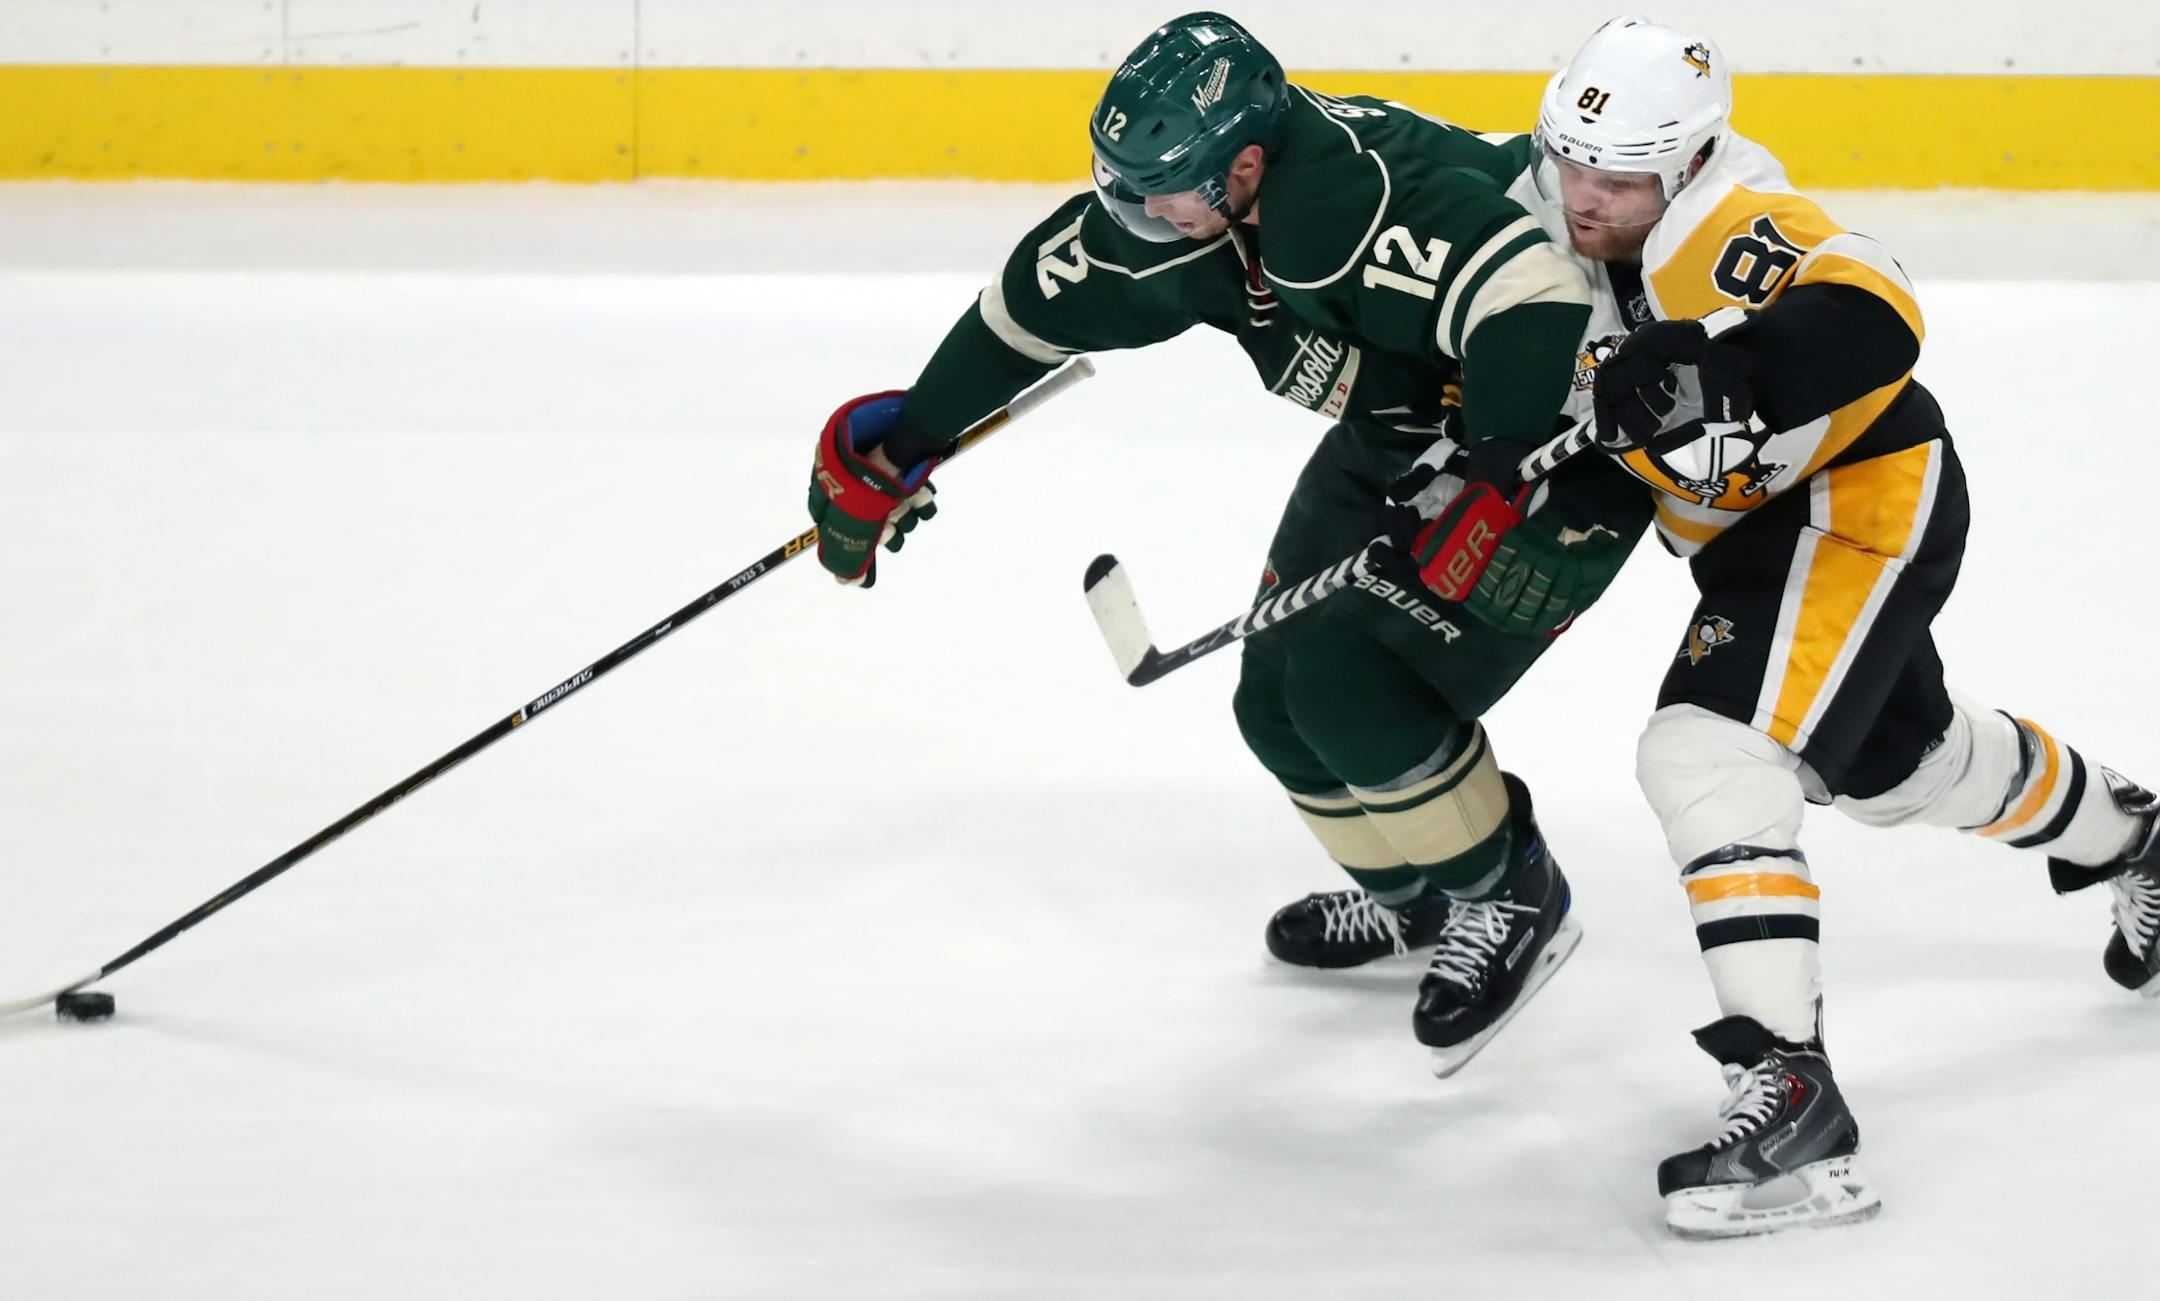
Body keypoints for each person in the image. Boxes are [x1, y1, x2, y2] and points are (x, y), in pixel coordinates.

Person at [805, 11, 1654, 1075]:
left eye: (1154, 189)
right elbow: (1035, 301)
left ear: (1244, 165)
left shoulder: (1352, 200)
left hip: (1546, 449)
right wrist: (909, 441)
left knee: (1354, 692)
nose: (1135, 211)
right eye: (1122, 182)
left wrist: (1492, 471)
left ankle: (1511, 891)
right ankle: (1419, 899)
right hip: (1403, 440)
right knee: (1274, 705)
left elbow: (1532, 296)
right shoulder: (1195, 208)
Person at [1460, 15, 2160, 1237]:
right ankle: (2133, 834)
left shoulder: (1724, 219)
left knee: (1706, 751)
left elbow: (1875, 307)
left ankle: (1792, 1096)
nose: (1584, 196)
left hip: (1857, 499)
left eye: (1618, 179)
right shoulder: (1540, 189)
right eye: (1569, 160)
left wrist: (1727, 373)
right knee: (1902, 763)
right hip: (1749, 536)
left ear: (1683, 164)